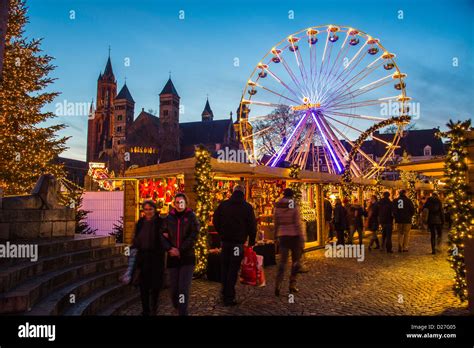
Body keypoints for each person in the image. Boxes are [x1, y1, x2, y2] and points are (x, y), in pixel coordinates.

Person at [213, 184, 257, 306]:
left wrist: (221, 232)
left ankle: (224, 291)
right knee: (233, 268)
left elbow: (215, 220)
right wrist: (251, 241)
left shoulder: (224, 205)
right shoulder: (247, 207)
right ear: (243, 193)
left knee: (225, 267)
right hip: (237, 243)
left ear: (233, 192)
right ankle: (229, 296)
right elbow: (252, 226)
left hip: (225, 242)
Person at [160, 193, 199, 316]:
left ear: (185, 203)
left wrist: (180, 250)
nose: (179, 204)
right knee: (174, 289)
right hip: (172, 257)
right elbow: (162, 235)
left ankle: (183, 312)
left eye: (181, 202)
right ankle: (177, 305)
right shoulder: (168, 218)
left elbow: (193, 236)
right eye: (177, 202)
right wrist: (169, 248)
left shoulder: (192, 217)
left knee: (183, 288)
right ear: (174, 203)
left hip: (187, 257)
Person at [130, 200, 166, 316]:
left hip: (156, 258)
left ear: (154, 210)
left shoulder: (160, 222)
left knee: (155, 286)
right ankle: (145, 310)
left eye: (150, 209)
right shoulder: (140, 222)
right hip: (143, 257)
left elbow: (164, 239)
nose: (148, 212)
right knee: (143, 286)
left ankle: (154, 308)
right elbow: (136, 238)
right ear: (143, 211)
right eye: (146, 209)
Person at [273, 188, 305, 296]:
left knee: (282, 262)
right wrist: (302, 238)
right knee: (295, 262)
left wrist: (275, 236)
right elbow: (297, 223)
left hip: (282, 236)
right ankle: (292, 285)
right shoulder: (293, 205)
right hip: (294, 236)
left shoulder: (278, 206)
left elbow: (276, 222)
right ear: (292, 196)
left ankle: (278, 285)